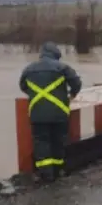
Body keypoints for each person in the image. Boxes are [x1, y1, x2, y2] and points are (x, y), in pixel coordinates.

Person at [19, 42, 82, 182]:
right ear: (56, 55)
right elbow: (76, 83)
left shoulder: (29, 69)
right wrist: (71, 96)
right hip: (59, 113)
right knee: (58, 141)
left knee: (41, 142)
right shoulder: (63, 68)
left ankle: (46, 174)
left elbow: (23, 86)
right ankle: (58, 171)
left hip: (37, 114)